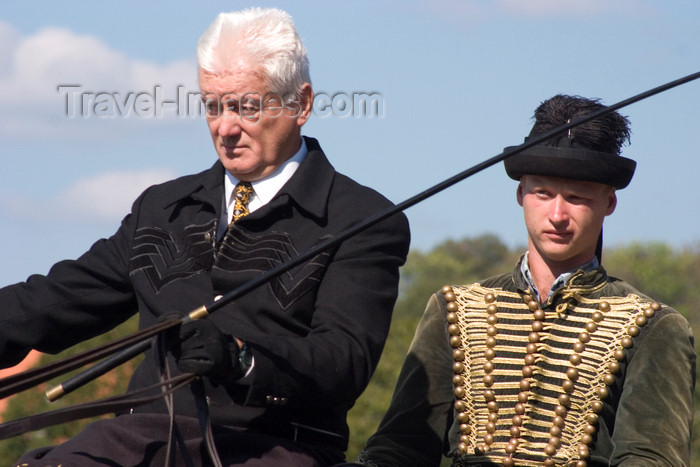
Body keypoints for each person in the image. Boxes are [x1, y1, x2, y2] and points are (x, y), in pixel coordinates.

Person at [0, 7, 410, 466]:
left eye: (246, 106)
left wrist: (243, 359)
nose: (225, 127)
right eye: (213, 105)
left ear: (301, 104)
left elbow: (343, 362)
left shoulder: (364, 219)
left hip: (276, 446)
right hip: (144, 440)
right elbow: (58, 300)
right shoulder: (161, 208)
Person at [357, 94, 695, 466]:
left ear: (609, 203)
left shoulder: (653, 326)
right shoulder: (454, 309)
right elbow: (403, 444)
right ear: (521, 194)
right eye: (543, 193)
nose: (557, 214)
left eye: (577, 197)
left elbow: (650, 457)